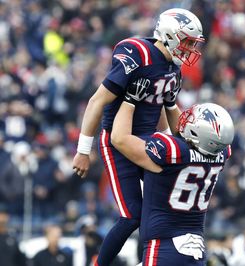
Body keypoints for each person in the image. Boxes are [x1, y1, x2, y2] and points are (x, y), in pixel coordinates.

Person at [71, 8, 205, 266]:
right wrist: (83, 149)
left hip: (148, 141)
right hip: (117, 141)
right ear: (168, 35)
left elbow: (166, 108)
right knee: (132, 215)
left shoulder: (172, 68)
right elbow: (97, 100)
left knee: (158, 212)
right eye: (187, 41)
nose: (190, 49)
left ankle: (151, 260)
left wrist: (180, 143)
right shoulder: (138, 54)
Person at [111, 98, 234, 265]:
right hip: (196, 249)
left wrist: (129, 101)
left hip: (165, 247)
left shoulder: (173, 152)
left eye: (193, 119)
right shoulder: (220, 155)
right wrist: (169, 103)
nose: (186, 118)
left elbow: (119, 138)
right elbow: (185, 138)